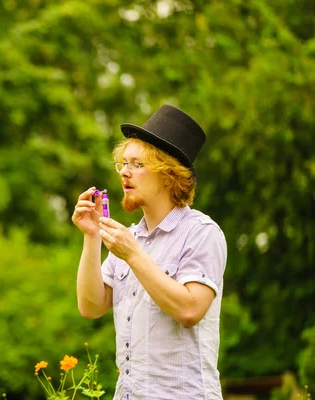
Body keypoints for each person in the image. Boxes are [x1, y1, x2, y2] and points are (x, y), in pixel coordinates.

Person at [72, 105, 227, 400]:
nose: (125, 173)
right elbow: (91, 306)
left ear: (169, 175)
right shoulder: (129, 238)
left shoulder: (202, 233)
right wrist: (92, 237)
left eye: (137, 164)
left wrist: (132, 255)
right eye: (123, 164)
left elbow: (190, 309)